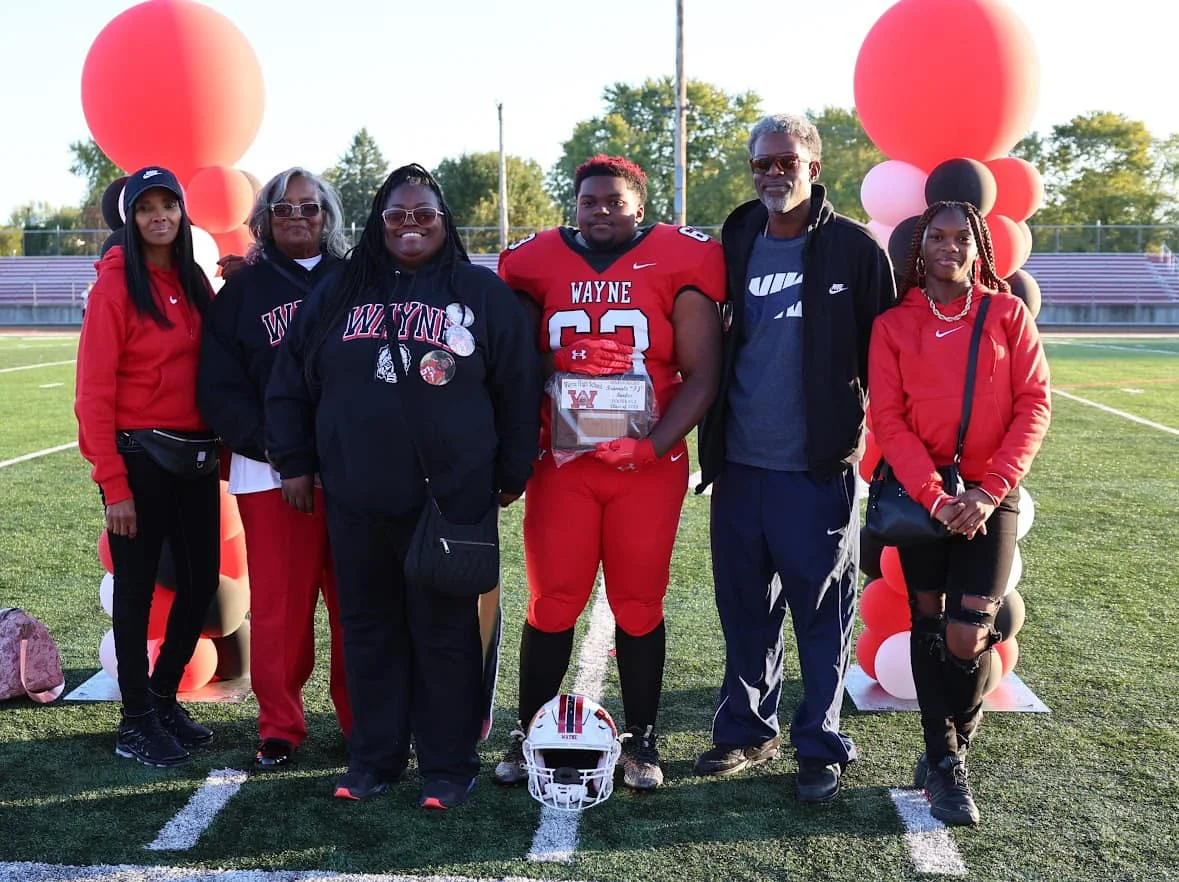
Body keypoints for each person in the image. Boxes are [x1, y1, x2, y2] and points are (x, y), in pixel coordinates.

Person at [265, 163, 538, 810]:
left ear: (444, 222)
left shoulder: (481, 293)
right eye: (396, 214)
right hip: (357, 496)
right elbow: (289, 384)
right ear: (376, 223)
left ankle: (447, 767)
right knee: (367, 630)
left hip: (449, 498)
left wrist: (512, 470)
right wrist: (295, 460)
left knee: (444, 633)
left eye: (423, 214)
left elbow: (519, 386)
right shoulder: (337, 293)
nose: (410, 225)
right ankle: (374, 759)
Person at [495, 154, 725, 791]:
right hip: (562, 462)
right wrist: (554, 359)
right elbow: (509, 358)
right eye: (590, 201)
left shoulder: (681, 258)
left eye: (615, 201)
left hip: (646, 465)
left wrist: (651, 449)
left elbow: (703, 374)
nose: (602, 211)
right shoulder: (534, 260)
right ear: (574, 205)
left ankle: (643, 738)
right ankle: (527, 728)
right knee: (553, 599)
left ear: (639, 206)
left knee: (638, 601)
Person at [694, 114, 896, 803]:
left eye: (785, 161)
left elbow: (884, 355)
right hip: (740, 465)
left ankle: (820, 741)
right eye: (762, 163)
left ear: (813, 166)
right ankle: (748, 729)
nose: (772, 173)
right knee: (745, 609)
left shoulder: (852, 248)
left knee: (819, 612)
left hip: (814, 470)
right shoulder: (738, 232)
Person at [869, 200, 1050, 826]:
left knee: (970, 632)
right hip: (925, 502)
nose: (949, 246)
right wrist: (936, 496)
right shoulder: (893, 324)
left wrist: (987, 490)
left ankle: (955, 741)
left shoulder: (1007, 315)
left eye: (961, 238)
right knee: (926, 620)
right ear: (919, 248)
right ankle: (945, 762)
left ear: (980, 248)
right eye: (936, 237)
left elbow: (1034, 405)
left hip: (989, 499)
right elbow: (888, 419)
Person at [197, 167, 352, 771]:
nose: (297, 219)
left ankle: (360, 719)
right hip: (271, 474)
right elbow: (221, 389)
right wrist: (282, 451)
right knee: (281, 607)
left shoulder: (358, 281)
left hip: (355, 474)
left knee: (357, 603)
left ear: (328, 217)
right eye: (284, 210)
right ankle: (280, 725)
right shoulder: (243, 293)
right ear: (262, 220)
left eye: (309, 209)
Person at [75, 166, 219, 767]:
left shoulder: (191, 282)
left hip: (196, 457)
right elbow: (93, 393)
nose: (159, 216)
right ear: (130, 219)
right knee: (134, 595)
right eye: (145, 208)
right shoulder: (114, 289)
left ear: (182, 213)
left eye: (169, 205)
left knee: (202, 582)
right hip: (139, 459)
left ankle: (161, 697)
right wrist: (113, 483)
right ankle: (135, 721)